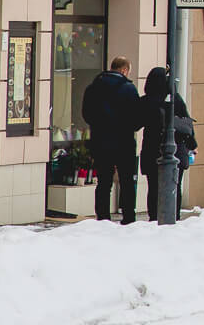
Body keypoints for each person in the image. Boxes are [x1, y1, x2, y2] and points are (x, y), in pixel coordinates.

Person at [82, 56, 140, 224]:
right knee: (127, 181)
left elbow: (86, 114)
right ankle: (128, 217)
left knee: (103, 182)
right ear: (124, 70)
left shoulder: (93, 87)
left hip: (100, 142)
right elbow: (136, 118)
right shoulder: (128, 89)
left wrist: (100, 126)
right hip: (124, 142)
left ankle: (103, 217)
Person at [136, 66, 195, 221]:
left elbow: (135, 124)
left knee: (153, 187)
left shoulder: (146, 101)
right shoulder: (176, 99)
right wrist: (192, 145)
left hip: (152, 150)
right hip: (177, 150)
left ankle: (154, 218)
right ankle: (174, 217)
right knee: (175, 186)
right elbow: (187, 124)